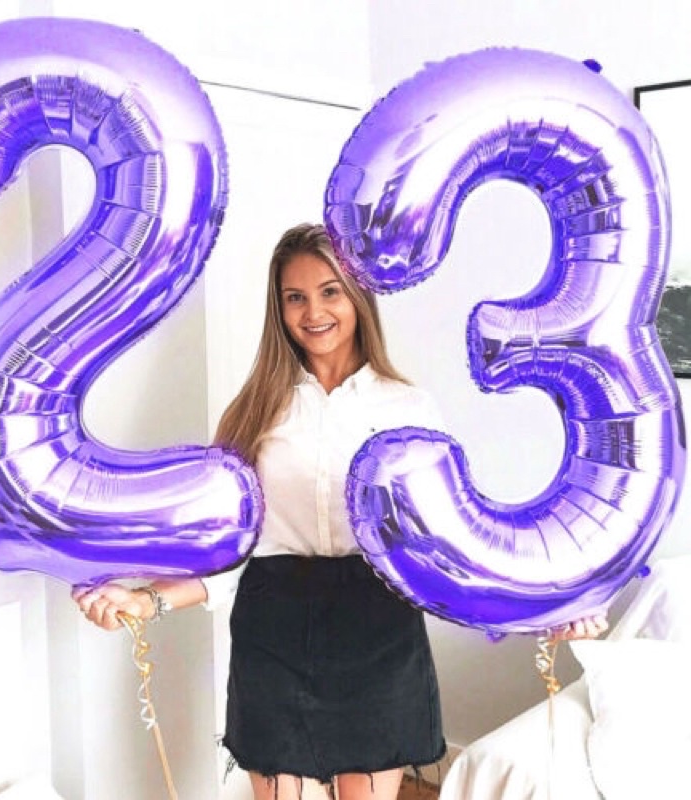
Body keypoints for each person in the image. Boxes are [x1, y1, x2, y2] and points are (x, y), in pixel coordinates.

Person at [74, 223, 608, 800]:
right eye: (295, 297)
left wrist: (551, 608)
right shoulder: (252, 414)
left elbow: (450, 548)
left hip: (377, 631)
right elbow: (228, 551)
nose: (313, 312)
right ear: (278, 308)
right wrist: (145, 600)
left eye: (330, 291)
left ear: (358, 297)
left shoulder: (409, 409)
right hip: (273, 630)